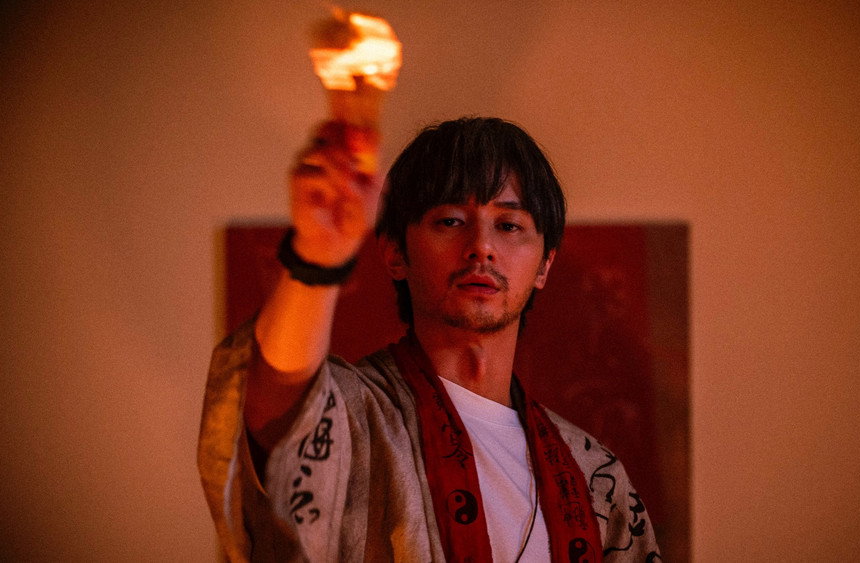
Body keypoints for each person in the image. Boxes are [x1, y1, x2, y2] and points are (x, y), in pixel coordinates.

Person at [198, 117, 661, 562]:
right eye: (451, 221)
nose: (481, 247)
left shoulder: (594, 478)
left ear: (544, 266)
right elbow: (277, 398)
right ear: (395, 253)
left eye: (508, 225)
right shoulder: (358, 417)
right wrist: (316, 256)